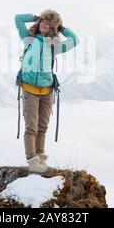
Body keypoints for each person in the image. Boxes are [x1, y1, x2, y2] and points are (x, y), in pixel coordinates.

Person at [14, 9, 79, 173]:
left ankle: (41, 159)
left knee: (42, 127)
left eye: (48, 23)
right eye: (42, 21)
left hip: (47, 91)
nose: (44, 24)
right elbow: (18, 19)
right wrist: (35, 16)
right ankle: (32, 161)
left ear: (52, 28)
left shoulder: (54, 45)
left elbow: (75, 40)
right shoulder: (28, 39)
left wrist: (61, 27)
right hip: (29, 89)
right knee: (31, 128)